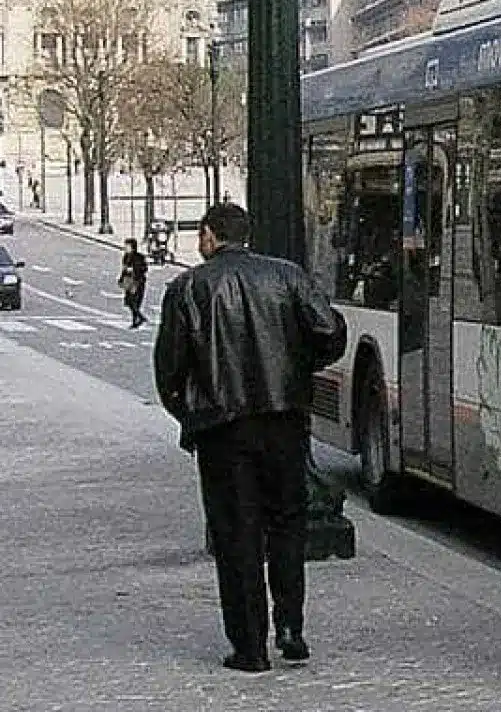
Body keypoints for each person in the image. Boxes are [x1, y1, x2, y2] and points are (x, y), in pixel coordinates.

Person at [152, 203, 346, 675]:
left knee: (236, 534)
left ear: (208, 236)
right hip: (284, 419)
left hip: (223, 427)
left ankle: (249, 645)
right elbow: (330, 332)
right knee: (286, 522)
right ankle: (290, 627)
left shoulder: (189, 289)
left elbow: (169, 370)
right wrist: (296, 373)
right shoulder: (286, 276)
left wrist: (192, 412)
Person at [120, 238, 149, 328]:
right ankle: (136, 320)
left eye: (127, 246)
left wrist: (134, 269)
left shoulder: (139, 257)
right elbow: (124, 269)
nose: (125, 247)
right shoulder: (125, 257)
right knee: (129, 302)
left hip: (137, 281)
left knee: (134, 302)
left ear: (132, 247)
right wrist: (121, 278)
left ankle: (138, 319)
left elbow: (144, 268)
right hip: (129, 281)